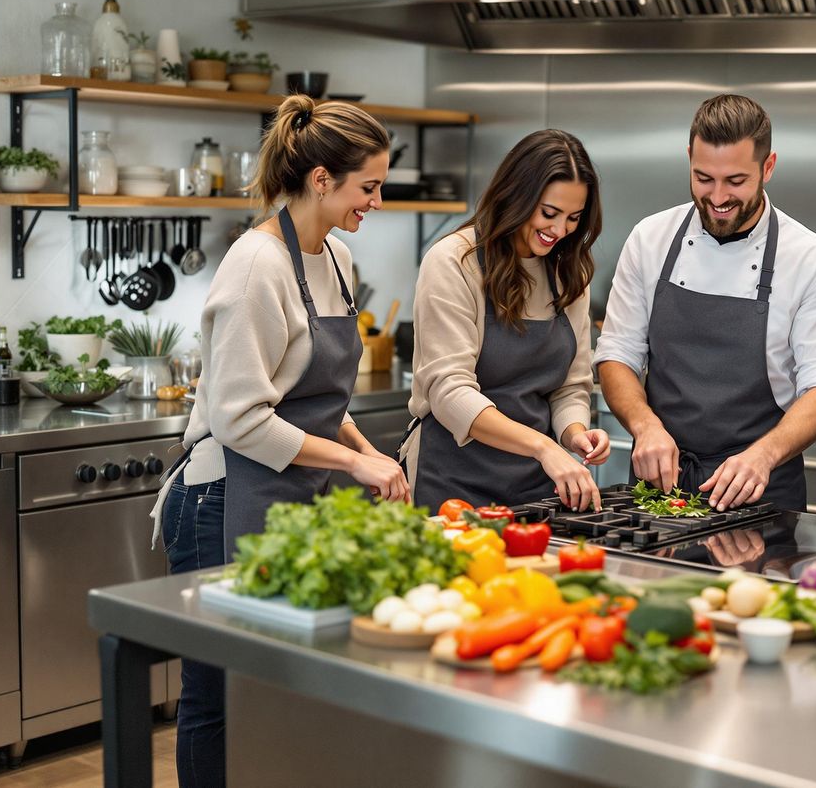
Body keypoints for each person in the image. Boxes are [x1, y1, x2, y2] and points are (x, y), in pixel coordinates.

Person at [152, 95, 409, 787]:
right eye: (369, 187)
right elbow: (241, 419)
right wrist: (354, 459)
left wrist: (368, 452)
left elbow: (319, 402)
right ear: (321, 179)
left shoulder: (337, 259)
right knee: (218, 695)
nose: (377, 201)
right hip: (219, 500)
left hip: (287, 497)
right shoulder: (255, 267)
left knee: (274, 692)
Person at [595, 94, 816, 512]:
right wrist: (645, 426)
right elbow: (616, 354)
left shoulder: (812, 259)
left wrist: (764, 455)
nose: (717, 197)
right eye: (703, 178)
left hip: (758, 490)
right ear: (689, 159)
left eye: (735, 181)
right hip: (658, 485)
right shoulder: (650, 239)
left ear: (768, 167)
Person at [401, 129, 609, 512]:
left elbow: (569, 387)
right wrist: (544, 446)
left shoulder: (568, 272)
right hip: (453, 484)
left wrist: (574, 433)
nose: (560, 230)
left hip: (537, 489)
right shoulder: (454, 261)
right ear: (516, 195)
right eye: (549, 213)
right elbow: (449, 393)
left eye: (573, 218)